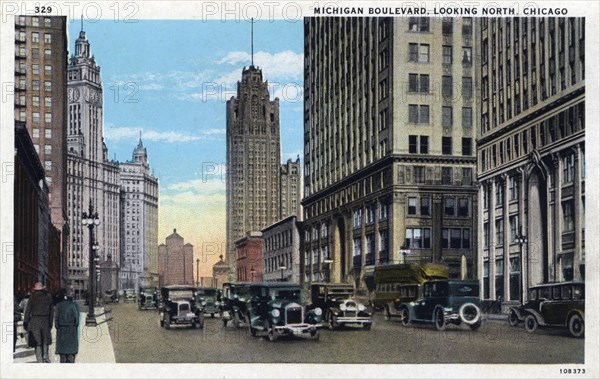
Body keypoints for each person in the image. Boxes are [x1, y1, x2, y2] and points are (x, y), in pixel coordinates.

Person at [23, 282, 54, 363]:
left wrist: (25, 322)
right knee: (45, 340)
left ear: (35, 289)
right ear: (42, 289)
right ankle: (46, 356)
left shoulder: (32, 297)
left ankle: (39, 360)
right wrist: (50, 323)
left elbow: (28, 311)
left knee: (37, 341)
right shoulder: (48, 297)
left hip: (35, 320)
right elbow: (51, 312)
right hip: (45, 320)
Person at [54, 288, 80, 363]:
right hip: (71, 329)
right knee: (71, 353)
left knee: (62, 354)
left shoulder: (59, 305)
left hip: (62, 329)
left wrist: (58, 327)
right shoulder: (75, 305)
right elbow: (77, 320)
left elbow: (56, 319)